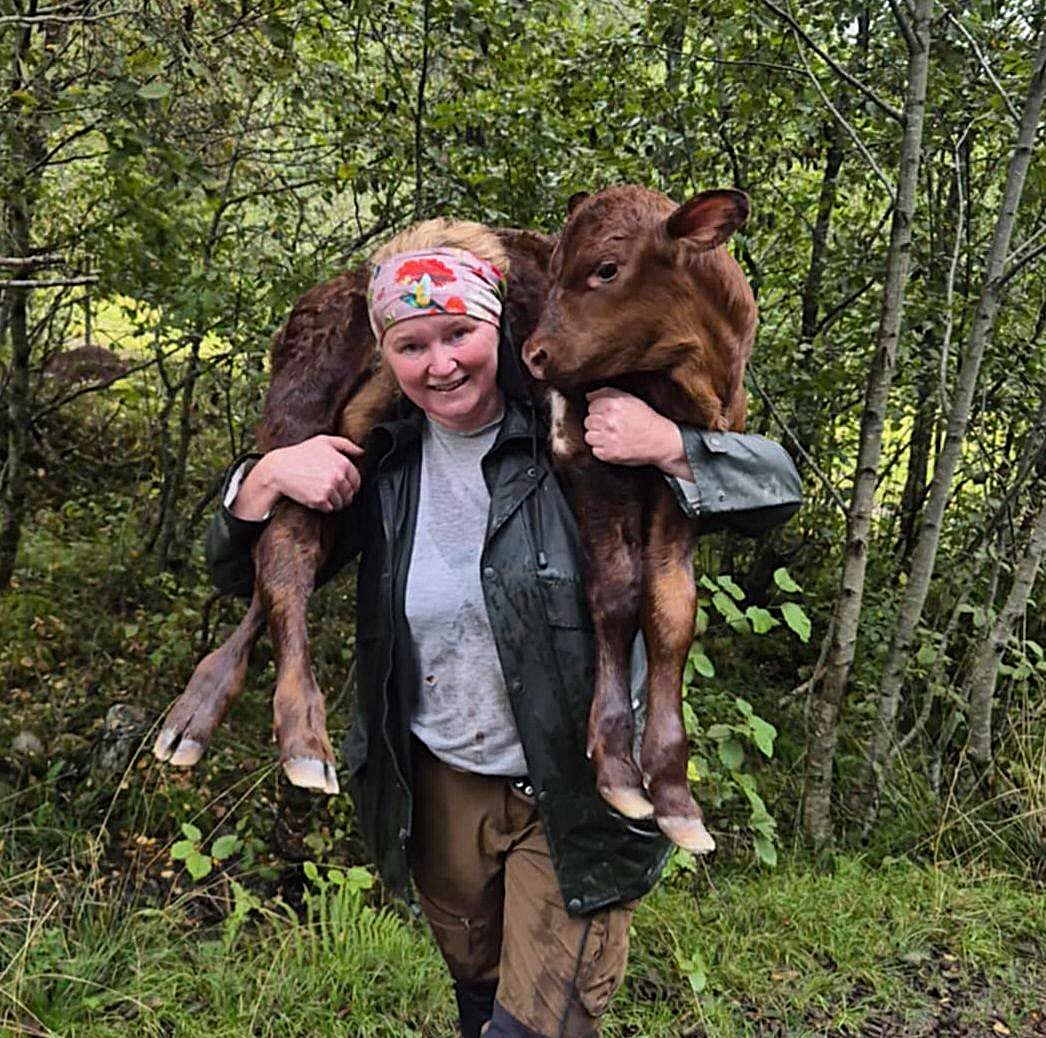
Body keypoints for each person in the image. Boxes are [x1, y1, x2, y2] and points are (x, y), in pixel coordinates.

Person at [205, 219, 802, 1038]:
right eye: (411, 345)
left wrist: (674, 447)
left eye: (459, 334)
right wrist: (262, 478)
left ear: (500, 326)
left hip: (574, 787)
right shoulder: (384, 461)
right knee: (479, 1002)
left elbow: (776, 491)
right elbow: (247, 573)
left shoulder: (581, 436)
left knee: (536, 1026)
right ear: (386, 356)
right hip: (440, 786)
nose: (440, 363)